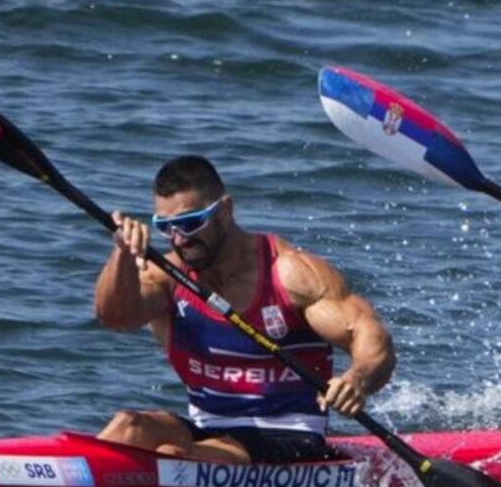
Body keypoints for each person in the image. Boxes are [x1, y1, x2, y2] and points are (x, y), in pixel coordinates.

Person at [94, 154, 396, 464]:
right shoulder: (167, 276)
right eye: (166, 227)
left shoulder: (290, 274)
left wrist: (356, 380)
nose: (179, 239)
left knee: (171, 456)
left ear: (225, 210)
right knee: (129, 427)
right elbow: (116, 318)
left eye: (190, 223)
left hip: (290, 436)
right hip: (207, 430)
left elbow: (371, 337)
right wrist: (122, 253)